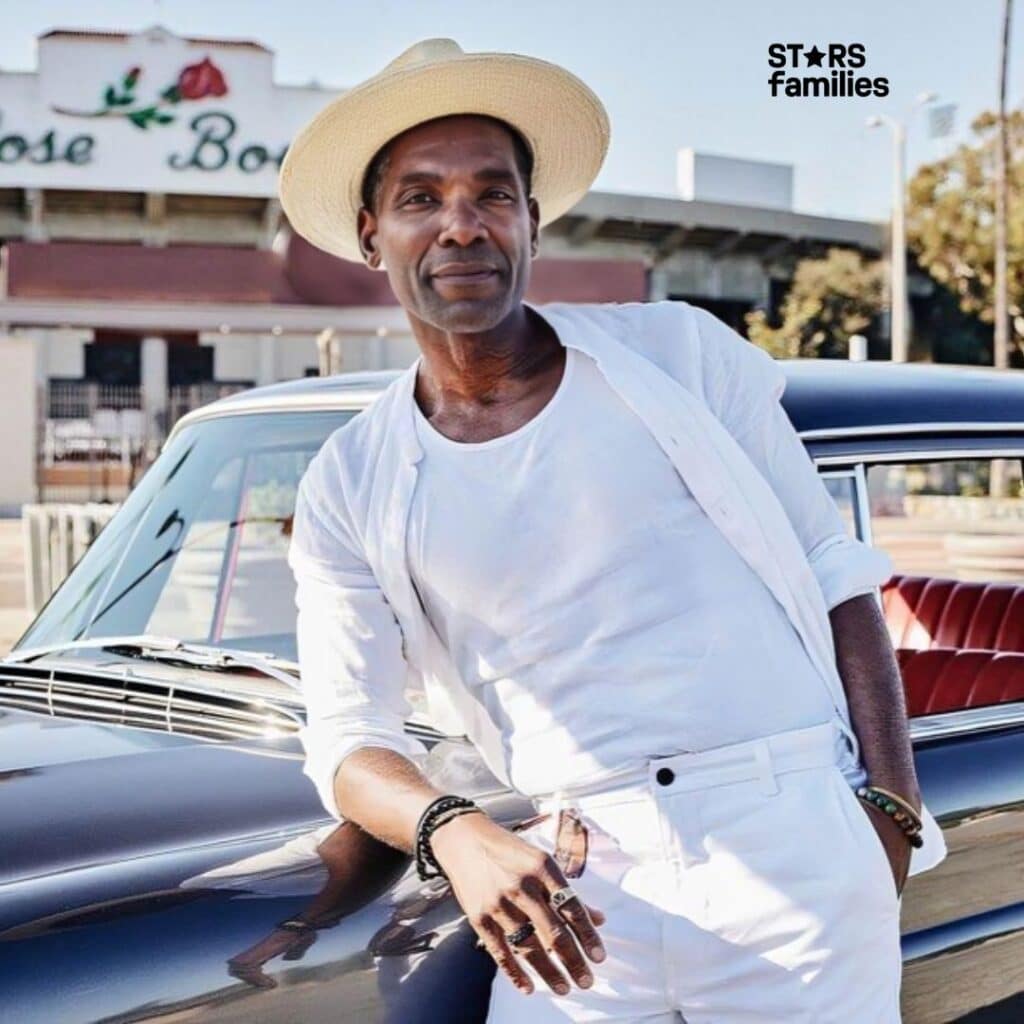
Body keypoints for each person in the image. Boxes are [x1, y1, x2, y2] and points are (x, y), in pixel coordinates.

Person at [278, 37, 947, 1023]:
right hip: (577, 884)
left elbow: (836, 570)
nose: (460, 226)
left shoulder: (677, 354)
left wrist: (889, 806)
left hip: (788, 849)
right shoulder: (352, 477)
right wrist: (451, 829)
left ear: (532, 223)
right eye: (421, 199)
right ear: (373, 234)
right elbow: (346, 736)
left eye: (491, 194)